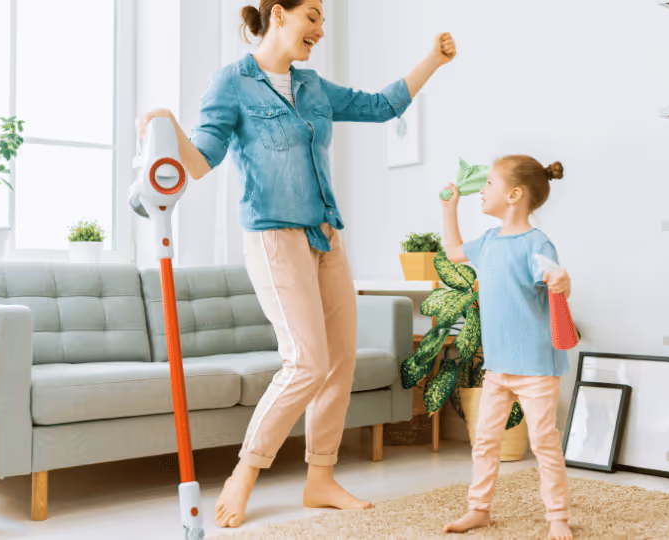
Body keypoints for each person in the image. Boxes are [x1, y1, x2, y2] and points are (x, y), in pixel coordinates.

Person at [137, 0, 456, 529]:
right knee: (306, 360)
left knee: (339, 360)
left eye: (324, 20)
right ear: (279, 14)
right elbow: (200, 162)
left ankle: (321, 478)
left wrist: (432, 60)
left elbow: (381, 106)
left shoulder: (312, 88)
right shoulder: (231, 83)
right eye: (313, 16)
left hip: (326, 235)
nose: (321, 29)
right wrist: (169, 125)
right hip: (273, 236)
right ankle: (245, 471)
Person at [440, 156, 574, 540]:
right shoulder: (487, 243)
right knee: (485, 441)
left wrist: (561, 280)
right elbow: (452, 252)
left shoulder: (536, 244)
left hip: (536, 368)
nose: (481, 189)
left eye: (489, 183)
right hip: (497, 369)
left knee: (544, 444)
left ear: (514, 195)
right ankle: (478, 510)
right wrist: (449, 209)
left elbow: (555, 274)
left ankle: (558, 519)